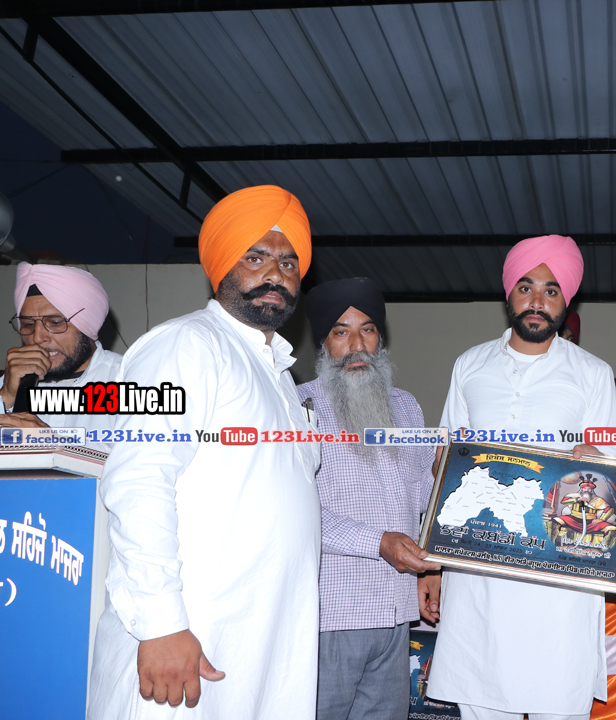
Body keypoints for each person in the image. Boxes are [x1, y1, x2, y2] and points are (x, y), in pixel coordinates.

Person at [88, 185, 322, 719]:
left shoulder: (282, 377)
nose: (276, 274)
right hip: (189, 637)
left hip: (263, 641)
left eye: (289, 263)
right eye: (256, 257)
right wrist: (161, 624)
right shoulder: (184, 344)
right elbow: (139, 481)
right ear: (221, 265)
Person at [427, 234, 616, 720]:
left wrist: (596, 463)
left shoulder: (592, 373)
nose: (537, 301)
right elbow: (443, 459)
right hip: (479, 572)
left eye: (551, 291)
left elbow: (611, 474)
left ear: (566, 300)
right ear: (509, 294)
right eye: (527, 287)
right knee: (481, 695)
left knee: (558, 694)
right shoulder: (470, 365)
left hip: (559, 579)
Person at [296, 277, 439, 720]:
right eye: (341, 332)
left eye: (368, 330)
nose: (357, 346)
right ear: (323, 342)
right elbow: (296, 511)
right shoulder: (297, 408)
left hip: (397, 613)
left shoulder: (407, 407)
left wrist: (431, 565)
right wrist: (378, 542)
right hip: (331, 616)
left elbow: (421, 496)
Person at [0, 263, 122, 437]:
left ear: (88, 325)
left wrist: (49, 445)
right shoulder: (9, 382)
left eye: (55, 323)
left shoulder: (131, 381)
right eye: (28, 324)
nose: (37, 337)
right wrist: (6, 398)